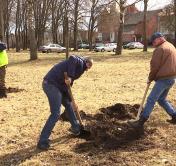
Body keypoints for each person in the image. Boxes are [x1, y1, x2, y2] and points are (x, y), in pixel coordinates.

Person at [37, 55, 93, 150]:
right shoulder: (79, 62)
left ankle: (76, 129)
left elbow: (68, 86)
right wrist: (70, 76)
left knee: (68, 105)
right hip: (51, 84)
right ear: (86, 63)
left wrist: (71, 101)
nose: (88, 69)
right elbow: (72, 58)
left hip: (59, 87)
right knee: (56, 113)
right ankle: (42, 141)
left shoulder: (80, 69)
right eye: (89, 66)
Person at [128, 32, 176, 129]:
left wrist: (150, 78)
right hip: (172, 78)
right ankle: (174, 116)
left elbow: (154, 67)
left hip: (163, 79)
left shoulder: (160, 49)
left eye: (154, 42)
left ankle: (140, 122)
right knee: (161, 99)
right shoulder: (171, 46)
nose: (153, 44)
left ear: (159, 39)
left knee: (151, 99)